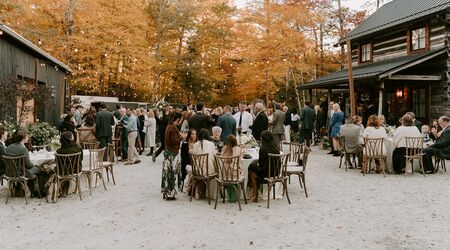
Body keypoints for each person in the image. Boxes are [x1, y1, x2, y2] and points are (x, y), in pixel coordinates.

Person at [5, 129, 42, 196]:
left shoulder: (9, 147)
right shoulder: (23, 148)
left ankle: (22, 189)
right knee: (41, 169)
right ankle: (37, 191)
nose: (28, 138)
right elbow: (28, 165)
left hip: (10, 172)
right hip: (20, 173)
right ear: (23, 138)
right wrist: (35, 165)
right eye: (26, 136)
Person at [248, 131, 280, 202]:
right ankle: (253, 191)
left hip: (267, 173)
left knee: (251, 168)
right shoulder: (276, 148)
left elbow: (261, 166)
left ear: (263, 140)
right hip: (276, 172)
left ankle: (254, 193)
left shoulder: (263, 149)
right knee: (253, 165)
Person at [161, 112, 183, 200]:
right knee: (171, 173)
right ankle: (170, 193)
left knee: (167, 172)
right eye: (180, 119)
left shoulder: (169, 126)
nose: (181, 121)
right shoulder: (172, 127)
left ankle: (166, 191)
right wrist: (182, 137)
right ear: (177, 119)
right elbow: (173, 141)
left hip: (168, 152)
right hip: (172, 153)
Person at [191, 128, 216, 199]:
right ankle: (211, 193)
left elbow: (194, 157)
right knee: (216, 170)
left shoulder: (195, 144)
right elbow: (214, 157)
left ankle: (197, 191)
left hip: (197, 170)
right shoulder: (211, 144)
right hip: (208, 171)